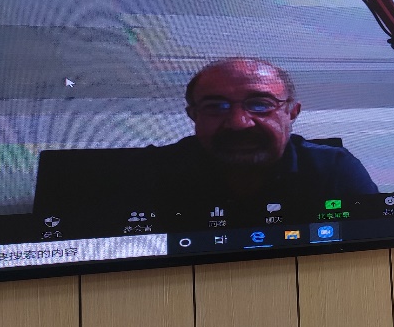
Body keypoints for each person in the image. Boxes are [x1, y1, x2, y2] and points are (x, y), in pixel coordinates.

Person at [155, 57, 376, 211]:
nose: (239, 123)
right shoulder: (148, 171)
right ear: (193, 115)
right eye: (216, 106)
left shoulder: (334, 169)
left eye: (260, 104)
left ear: (292, 112)